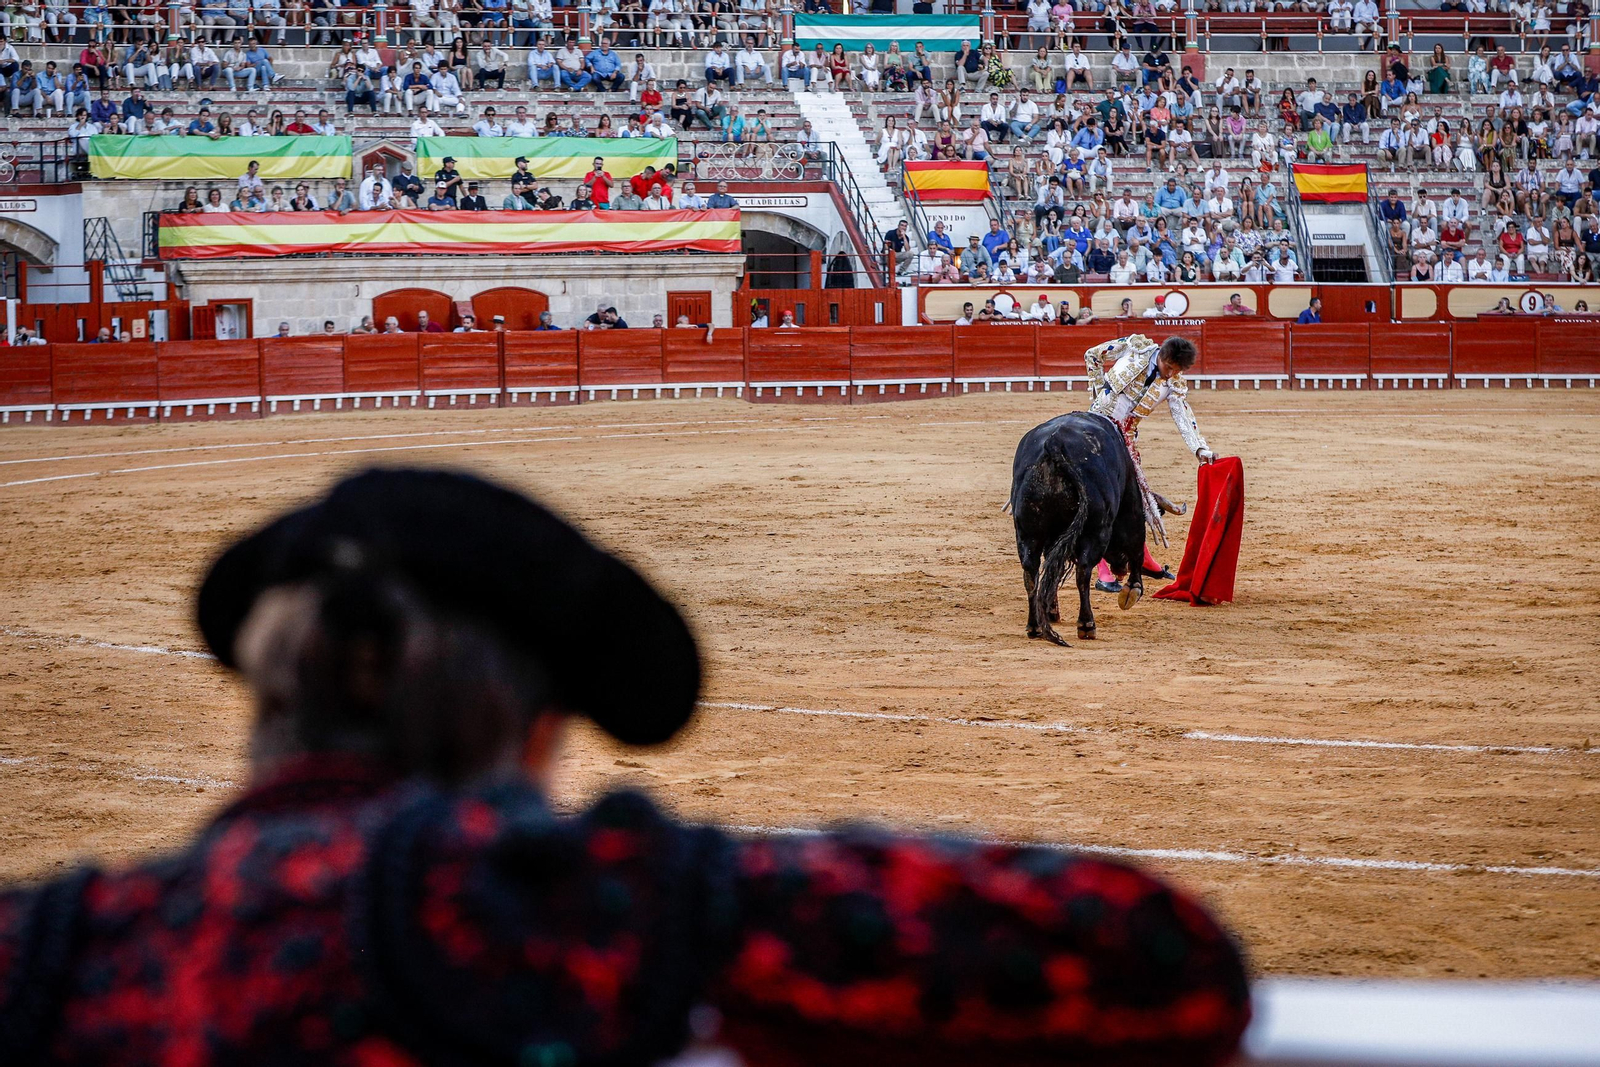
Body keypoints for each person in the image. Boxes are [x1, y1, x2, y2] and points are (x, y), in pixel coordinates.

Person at [1083, 334, 1216, 594]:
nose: (1171, 375)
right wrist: (1100, 394)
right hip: (1096, 428)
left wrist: (1199, 447)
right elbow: (1092, 355)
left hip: (1126, 439)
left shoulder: (1174, 382)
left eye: (1177, 371)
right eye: (1169, 368)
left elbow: (1182, 413)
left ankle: (1142, 558)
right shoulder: (1134, 347)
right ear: (1162, 356)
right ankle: (1102, 570)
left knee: (1136, 501)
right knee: (1098, 501)